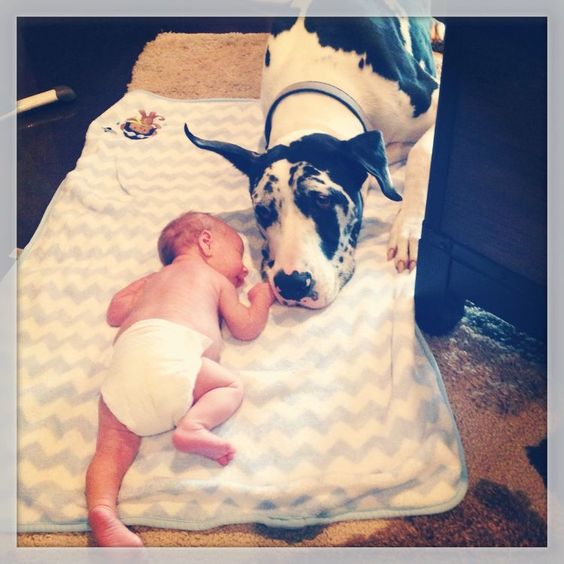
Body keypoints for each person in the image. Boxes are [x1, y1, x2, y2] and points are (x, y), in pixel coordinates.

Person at [85, 211, 275, 547]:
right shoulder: (213, 279)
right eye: (238, 254)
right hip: (174, 352)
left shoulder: (153, 280)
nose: (244, 268)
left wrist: (143, 282)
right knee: (230, 385)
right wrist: (262, 299)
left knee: (110, 447)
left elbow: (115, 313)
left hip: (126, 362)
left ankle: (102, 512)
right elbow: (245, 328)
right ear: (206, 242)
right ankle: (193, 426)